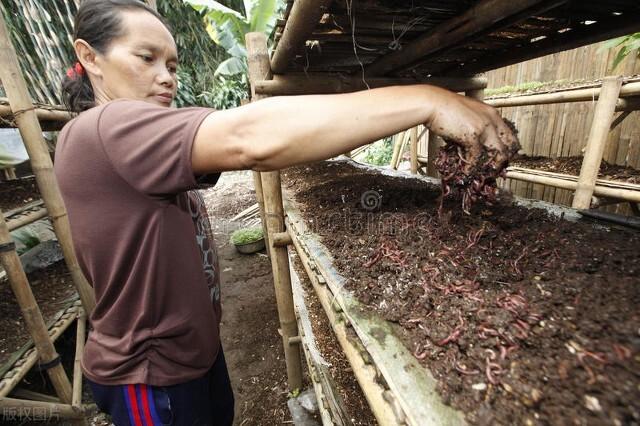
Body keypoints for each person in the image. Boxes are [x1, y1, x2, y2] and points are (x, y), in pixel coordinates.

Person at [54, 0, 517, 425]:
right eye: (146, 58)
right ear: (90, 57)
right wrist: (428, 99)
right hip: (150, 376)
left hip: (190, 355)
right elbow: (250, 137)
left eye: (172, 64)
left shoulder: (129, 142)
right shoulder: (105, 126)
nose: (167, 77)